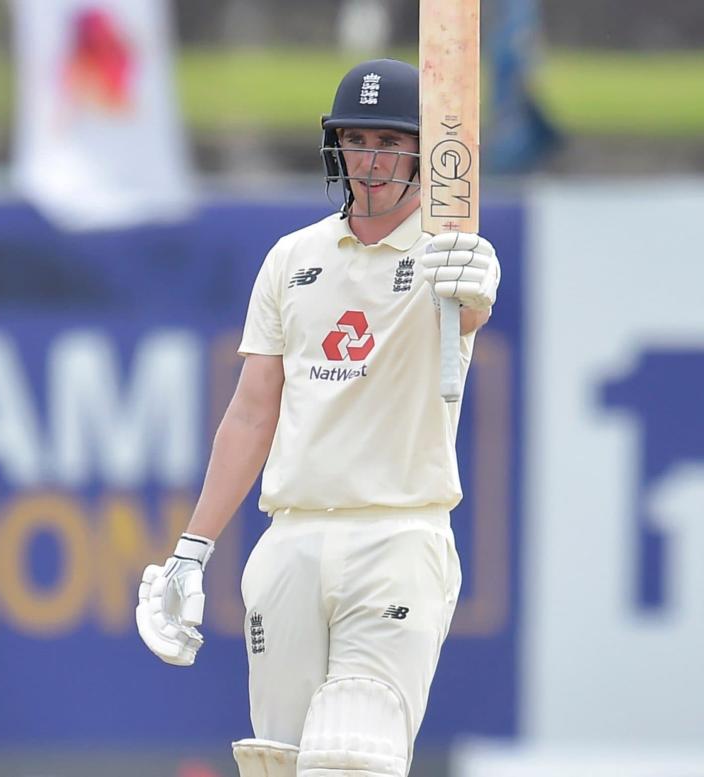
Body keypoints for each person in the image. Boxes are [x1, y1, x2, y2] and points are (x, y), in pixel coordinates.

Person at [135, 58, 500, 777]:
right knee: (282, 761)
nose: (369, 160)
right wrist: (191, 550)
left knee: (351, 758)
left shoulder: (446, 257)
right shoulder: (291, 259)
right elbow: (250, 412)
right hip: (292, 541)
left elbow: (470, 308)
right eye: (356, 139)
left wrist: (477, 289)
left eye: (389, 141)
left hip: (396, 536)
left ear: (424, 150)